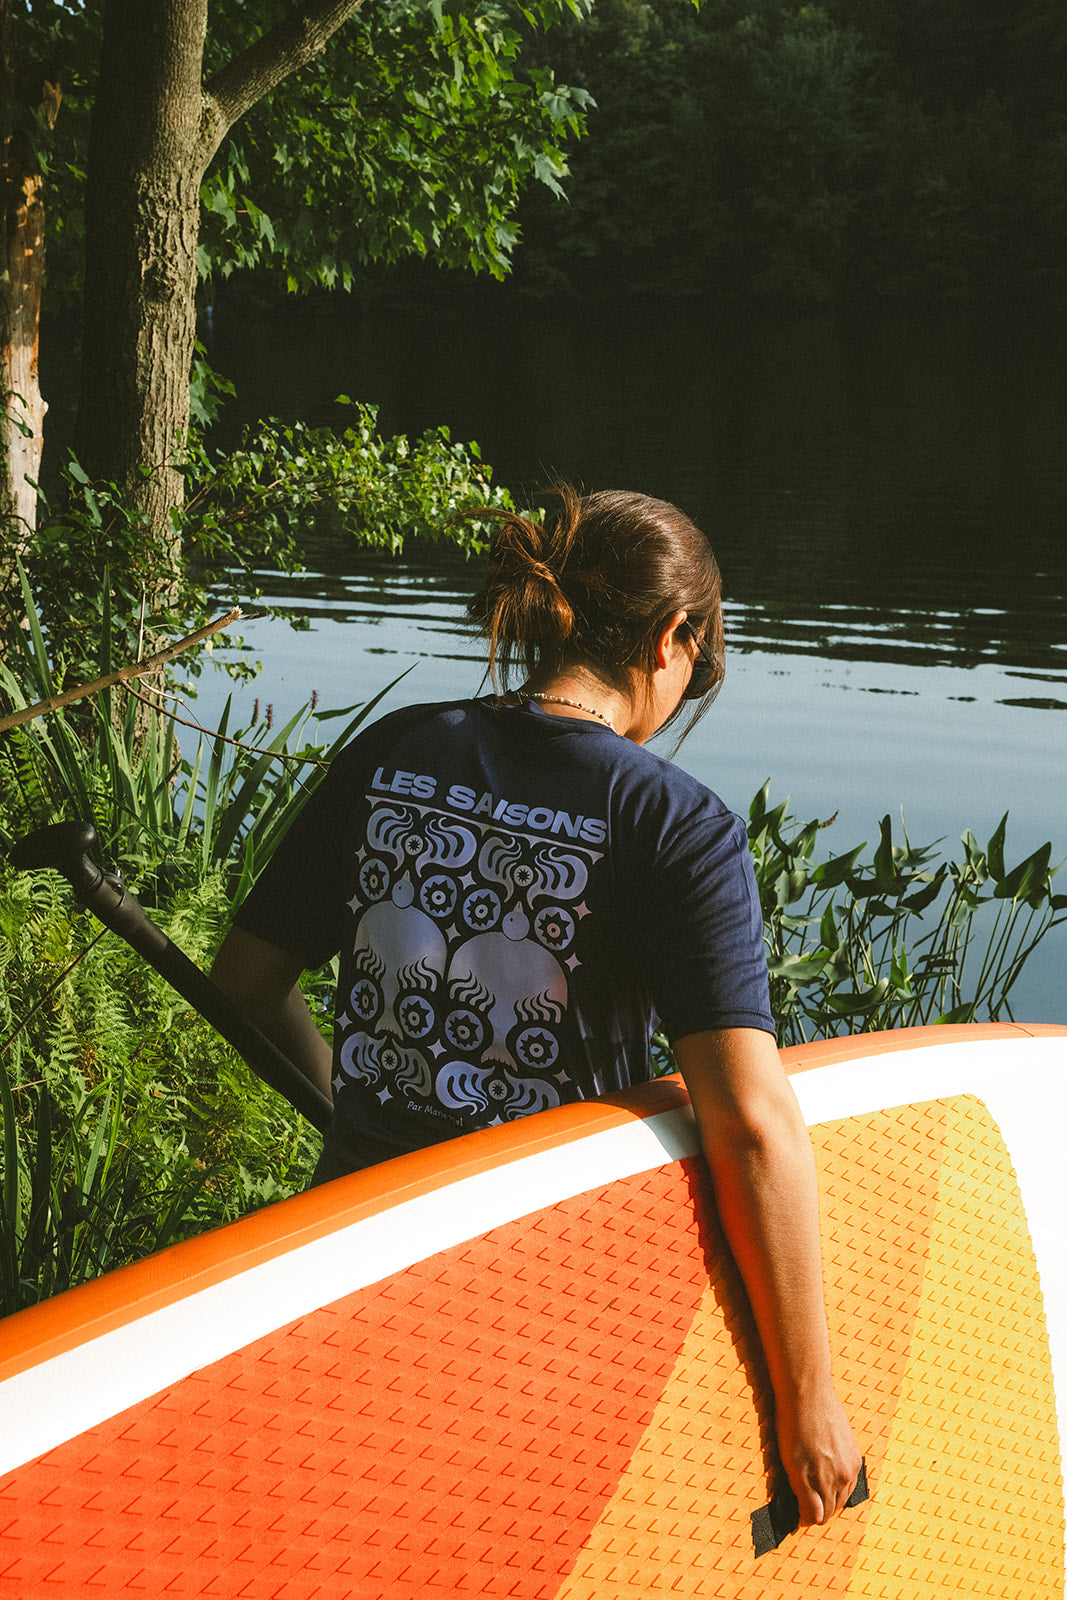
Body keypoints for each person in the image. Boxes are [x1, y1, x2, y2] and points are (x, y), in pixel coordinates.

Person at [211, 486, 862, 1526]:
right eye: (701, 668)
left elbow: (243, 985)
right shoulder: (670, 821)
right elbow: (747, 1122)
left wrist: (359, 1116)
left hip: (343, 1252)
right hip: (539, 1295)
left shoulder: (394, 749)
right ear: (670, 638)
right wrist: (810, 1394)